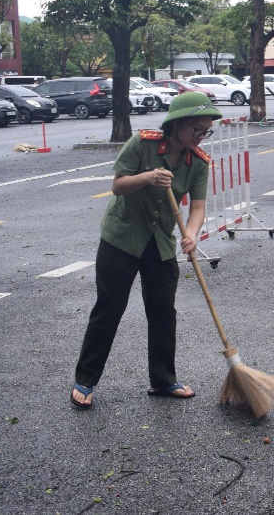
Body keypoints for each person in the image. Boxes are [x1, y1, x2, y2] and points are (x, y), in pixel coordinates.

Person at [70, 91, 223, 410]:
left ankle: (164, 379)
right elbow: (118, 185)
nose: (201, 136)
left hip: (161, 241)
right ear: (178, 124)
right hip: (122, 237)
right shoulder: (144, 143)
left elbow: (197, 208)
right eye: (197, 129)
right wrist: (148, 177)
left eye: (206, 131)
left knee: (164, 311)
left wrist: (192, 234)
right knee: (109, 307)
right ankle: (85, 379)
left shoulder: (198, 161)